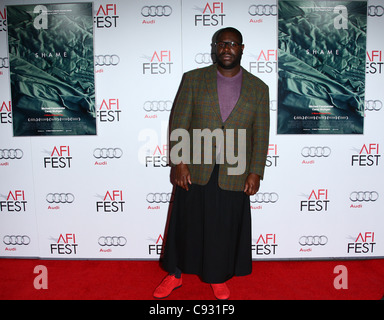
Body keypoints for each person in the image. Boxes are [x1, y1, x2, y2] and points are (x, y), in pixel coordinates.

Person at [153, 27, 270, 300]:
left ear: (242, 48)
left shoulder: (258, 88)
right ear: (214, 47)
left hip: (236, 169)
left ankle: (217, 276)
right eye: (222, 43)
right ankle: (175, 274)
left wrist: (256, 171)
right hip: (194, 168)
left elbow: (261, 134)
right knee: (185, 224)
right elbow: (179, 122)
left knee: (224, 227)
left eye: (232, 44)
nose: (226, 48)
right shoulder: (193, 79)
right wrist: (178, 162)